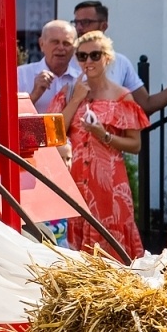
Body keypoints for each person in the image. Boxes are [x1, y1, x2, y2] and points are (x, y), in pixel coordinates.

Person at [61, 31, 148, 259]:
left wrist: (103, 135)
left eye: (95, 55)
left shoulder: (122, 97)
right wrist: (77, 99)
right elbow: (56, 131)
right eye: (82, 56)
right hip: (77, 179)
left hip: (109, 183)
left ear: (107, 58)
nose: (88, 61)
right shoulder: (71, 90)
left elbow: (135, 144)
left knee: (113, 246)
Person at [70, 0, 167, 115]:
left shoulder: (119, 62)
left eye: (85, 22)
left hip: (109, 139)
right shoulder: (66, 59)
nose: (79, 28)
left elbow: (146, 104)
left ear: (103, 26)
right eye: (76, 23)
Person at [15, 20, 80, 113]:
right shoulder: (21, 74)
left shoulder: (82, 79)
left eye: (66, 43)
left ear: (74, 48)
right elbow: (9, 115)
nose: (61, 48)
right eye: (55, 42)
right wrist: (34, 95)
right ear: (41, 44)